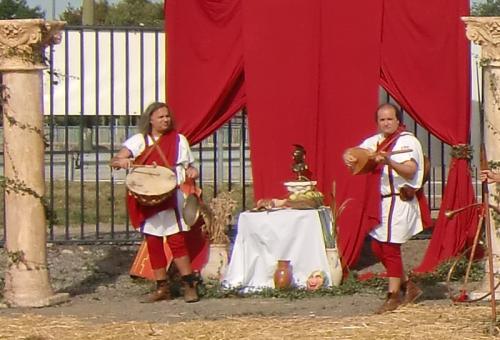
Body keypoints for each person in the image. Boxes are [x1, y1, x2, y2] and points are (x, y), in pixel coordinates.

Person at [111, 102, 201, 303]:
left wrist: (192, 171)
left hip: (171, 197)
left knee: (176, 242)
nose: (165, 120)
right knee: (153, 243)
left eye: (167, 116)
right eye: (160, 117)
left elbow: (190, 167)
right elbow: (116, 160)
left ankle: (189, 285)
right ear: (150, 119)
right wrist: (122, 161)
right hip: (148, 198)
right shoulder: (139, 140)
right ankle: (162, 288)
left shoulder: (179, 140)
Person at [343, 103, 425, 314]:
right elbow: (355, 154)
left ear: (397, 120)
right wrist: (349, 157)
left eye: (390, 119)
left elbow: (410, 170)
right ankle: (408, 286)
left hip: (400, 200)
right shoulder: (375, 142)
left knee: (390, 248)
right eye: (382, 120)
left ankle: (393, 295)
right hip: (381, 202)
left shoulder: (408, 141)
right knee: (378, 248)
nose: (386, 123)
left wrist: (389, 160)